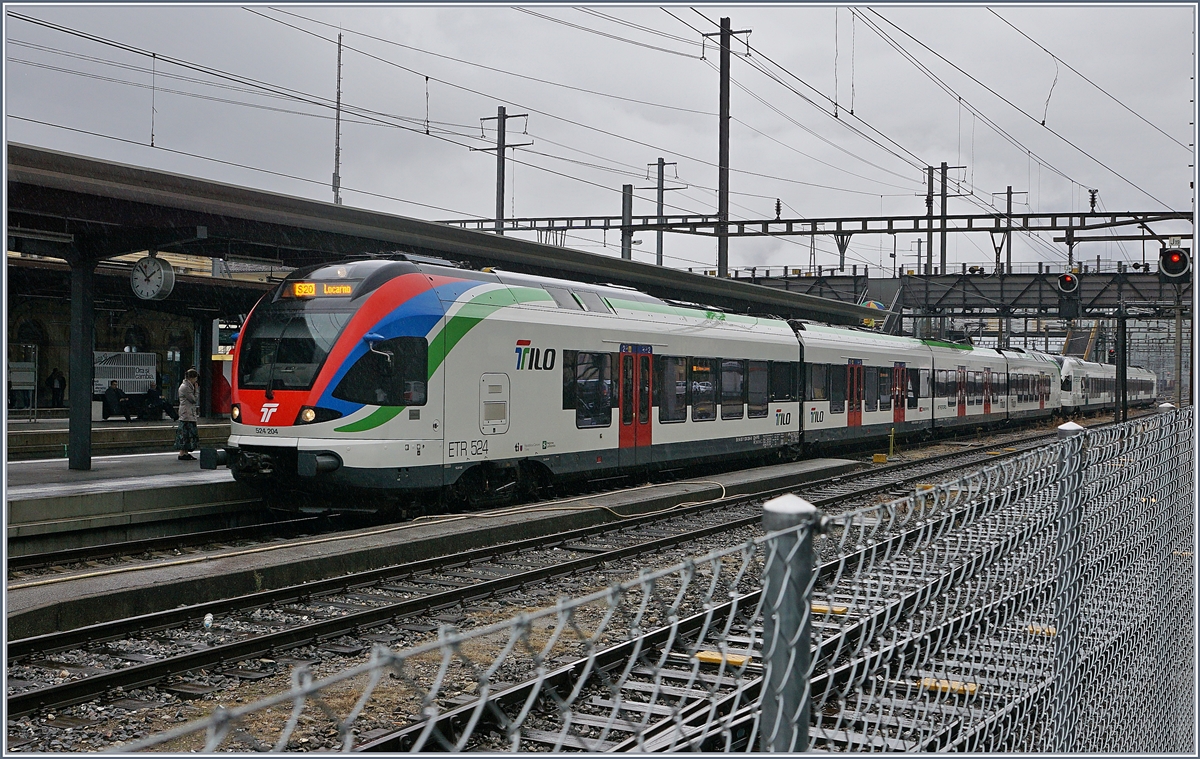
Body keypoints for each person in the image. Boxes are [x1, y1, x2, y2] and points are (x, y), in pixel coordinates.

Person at [176, 368, 200, 461]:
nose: (196, 381)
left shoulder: (187, 386)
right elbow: (193, 399)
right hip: (187, 413)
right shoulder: (186, 387)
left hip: (187, 412)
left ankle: (185, 452)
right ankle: (182, 453)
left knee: (187, 433)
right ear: (192, 378)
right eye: (195, 379)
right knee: (186, 433)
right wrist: (197, 390)